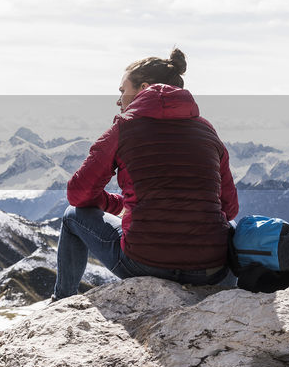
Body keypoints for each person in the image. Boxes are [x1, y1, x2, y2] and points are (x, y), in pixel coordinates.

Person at [51, 47, 239, 299]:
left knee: (72, 215)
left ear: (143, 88)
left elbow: (78, 194)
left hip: (143, 263)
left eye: (122, 90)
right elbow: (229, 208)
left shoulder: (124, 128)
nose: (119, 100)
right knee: (233, 225)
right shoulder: (206, 130)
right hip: (212, 271)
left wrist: (117, 205)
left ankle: (62, 300)